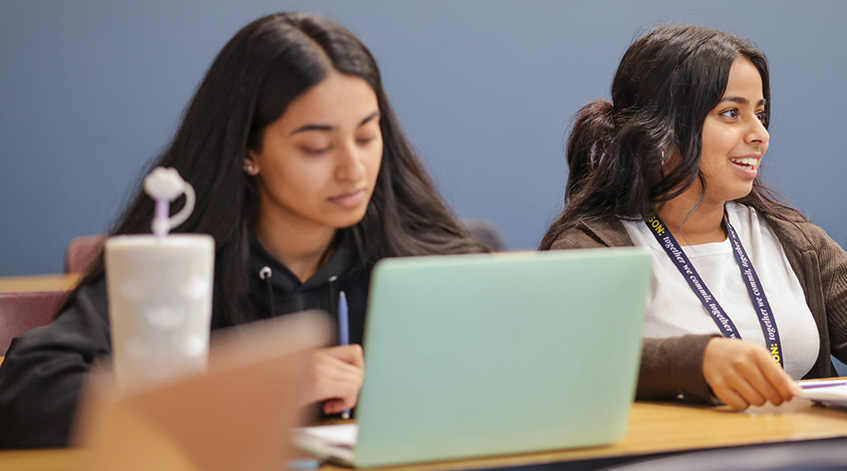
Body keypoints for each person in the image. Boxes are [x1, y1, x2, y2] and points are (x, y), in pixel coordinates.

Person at [0, 12, 485, 448]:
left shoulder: (418, 256)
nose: (353, 169)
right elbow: (29, 393)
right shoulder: (176, 266)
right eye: (317, 147)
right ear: (247, 152)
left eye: (366, 135)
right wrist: (258, 390)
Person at [540, 24, 847, 411]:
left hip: (804, 458)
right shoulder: (591, 248)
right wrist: (697, 361)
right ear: (660, 130)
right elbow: (570, 359)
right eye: (732, 113)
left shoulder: (797, 241)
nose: (760, 134)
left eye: (760, 114)